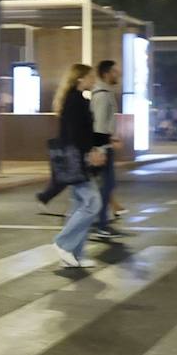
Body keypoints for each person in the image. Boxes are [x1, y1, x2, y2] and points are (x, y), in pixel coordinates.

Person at [50, 64, 107, 268]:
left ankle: (74, 254)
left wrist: (101, 142)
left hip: (73, 157)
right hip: (78, 159)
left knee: (77, 206)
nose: (93, 80)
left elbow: (81, 133)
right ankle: (62, 243)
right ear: (80, 79)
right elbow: (77, 134)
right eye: (90, 77)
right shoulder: (76, 101)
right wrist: (91, 152)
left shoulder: (74, 99)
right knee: (93, 203)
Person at [90, 60, 125, 240]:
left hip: (104, 145)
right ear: (106, 74)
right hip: (102, 148)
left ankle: (99, 221)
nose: (118, 74)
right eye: (115, 72)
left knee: (103, 185)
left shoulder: (105, 93)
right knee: (105, 185)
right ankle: (100, 223)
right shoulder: (102, 96)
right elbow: (99, 126)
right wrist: (101, 148)